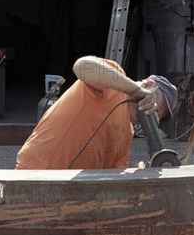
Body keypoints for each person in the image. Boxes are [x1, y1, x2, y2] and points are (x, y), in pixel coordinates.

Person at [15, 56, 177, 170]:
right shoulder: (114, 82)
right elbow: (82, 66)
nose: (152, 115)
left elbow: (113, 180)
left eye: (158, 117)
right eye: (157, 107)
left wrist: (139, 171)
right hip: (34, 173)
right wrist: (137, 91)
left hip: (65, 195)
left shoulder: (127, 135)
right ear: (149, 84)